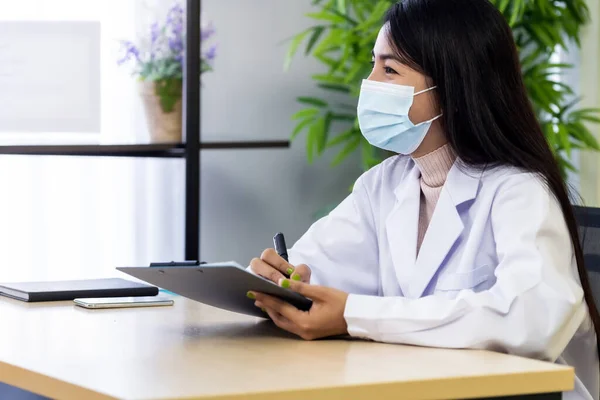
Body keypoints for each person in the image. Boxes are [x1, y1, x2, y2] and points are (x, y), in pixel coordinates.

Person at [248, 0, 600, 398]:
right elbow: (315, 271)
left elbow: (532, 320)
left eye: (390, 69)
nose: (371, 83)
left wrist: (355, 315)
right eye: (374, 65)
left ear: (452, 86)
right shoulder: (384, 184)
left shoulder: (519, 191)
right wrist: (281, 281)